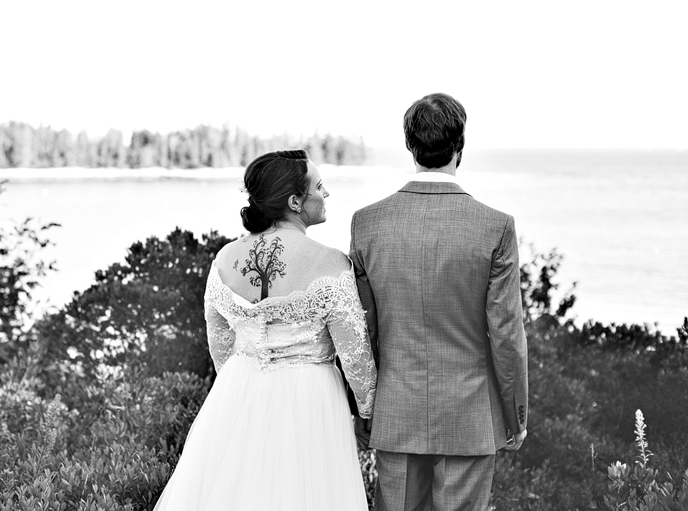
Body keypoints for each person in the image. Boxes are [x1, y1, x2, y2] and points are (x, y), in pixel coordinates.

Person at [154, 149, 377, 511]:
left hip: (239, 390)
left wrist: (243, 386)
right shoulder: (331, 263)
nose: (327, 194)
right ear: (295, 201)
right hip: (311, 399)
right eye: (319, 186)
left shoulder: (225, 258)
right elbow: (356, 358)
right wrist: (367, 413)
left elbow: (220, 342)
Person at [350, 93, 529, 511]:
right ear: (460, 146)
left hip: (395, 411)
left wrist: (363, 411)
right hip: (469, 418)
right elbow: (506, 334)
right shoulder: (496, 226)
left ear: (411, 146)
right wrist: (515, 415)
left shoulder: (366, 222)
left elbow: (363, 330)